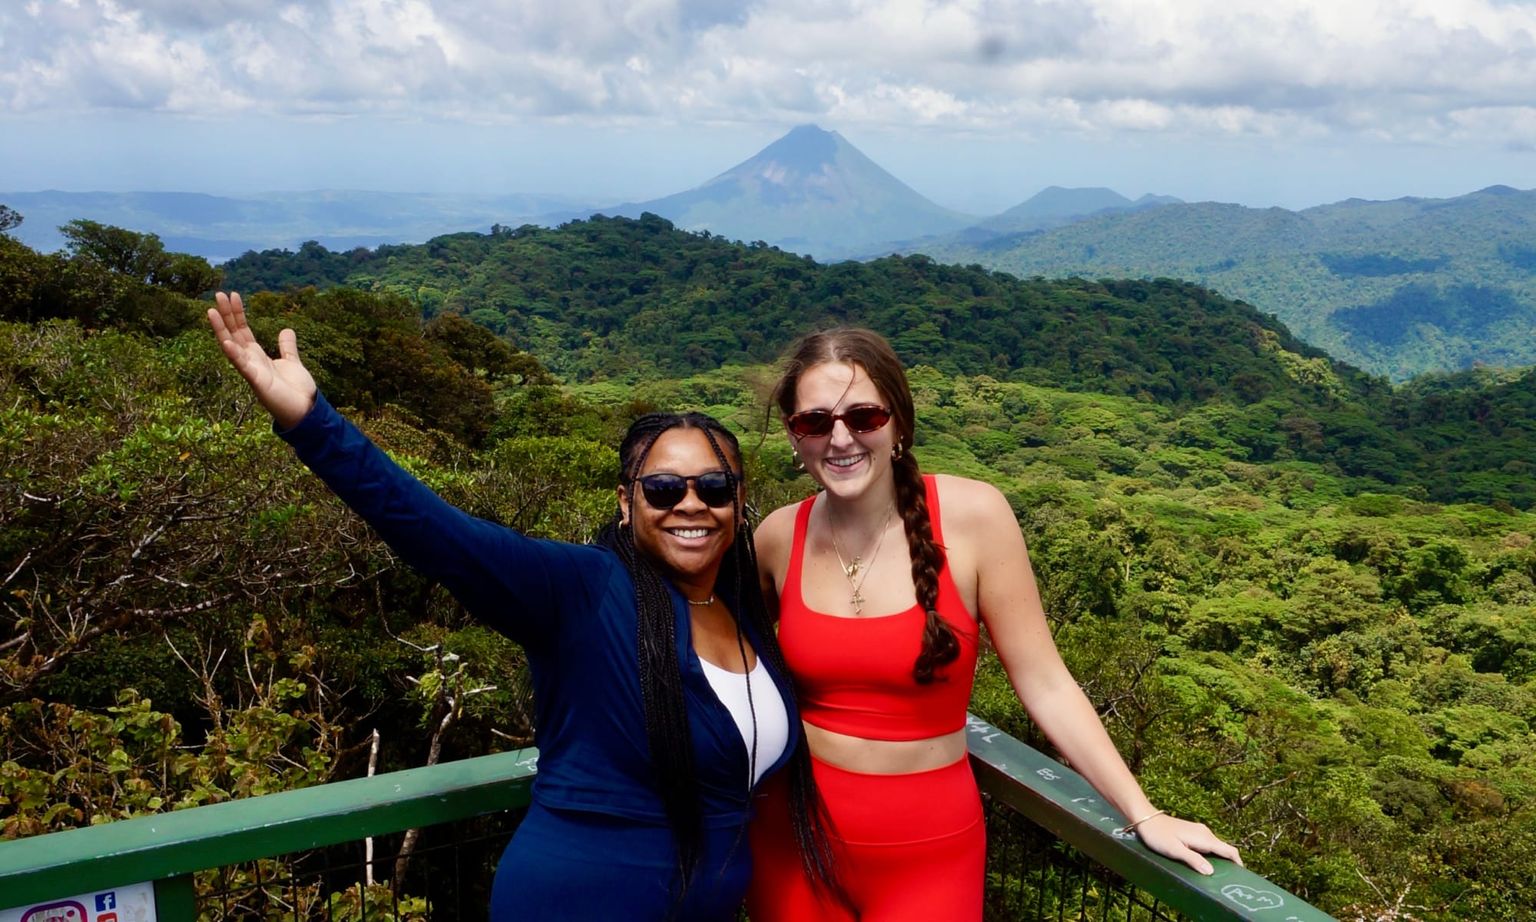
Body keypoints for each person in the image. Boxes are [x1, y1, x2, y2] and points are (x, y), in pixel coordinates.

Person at [206, 291, 835, 921]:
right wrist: (313, 424)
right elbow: (437, 534)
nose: (691, 505)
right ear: (626, 502)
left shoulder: (741, 604)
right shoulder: (584, 590)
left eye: (714, 486)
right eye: (664, 488)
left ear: (739, 498)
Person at [746, 327, 1242, 921]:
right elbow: (726, 669)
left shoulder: (974, 517)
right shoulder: (778, 537)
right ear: (794, 436)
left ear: (898, 424)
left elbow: (1045, 680)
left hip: (929, 850)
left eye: (864, 416)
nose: (841, 438)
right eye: (815, 423)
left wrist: (1144, 813)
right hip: (795, 837)